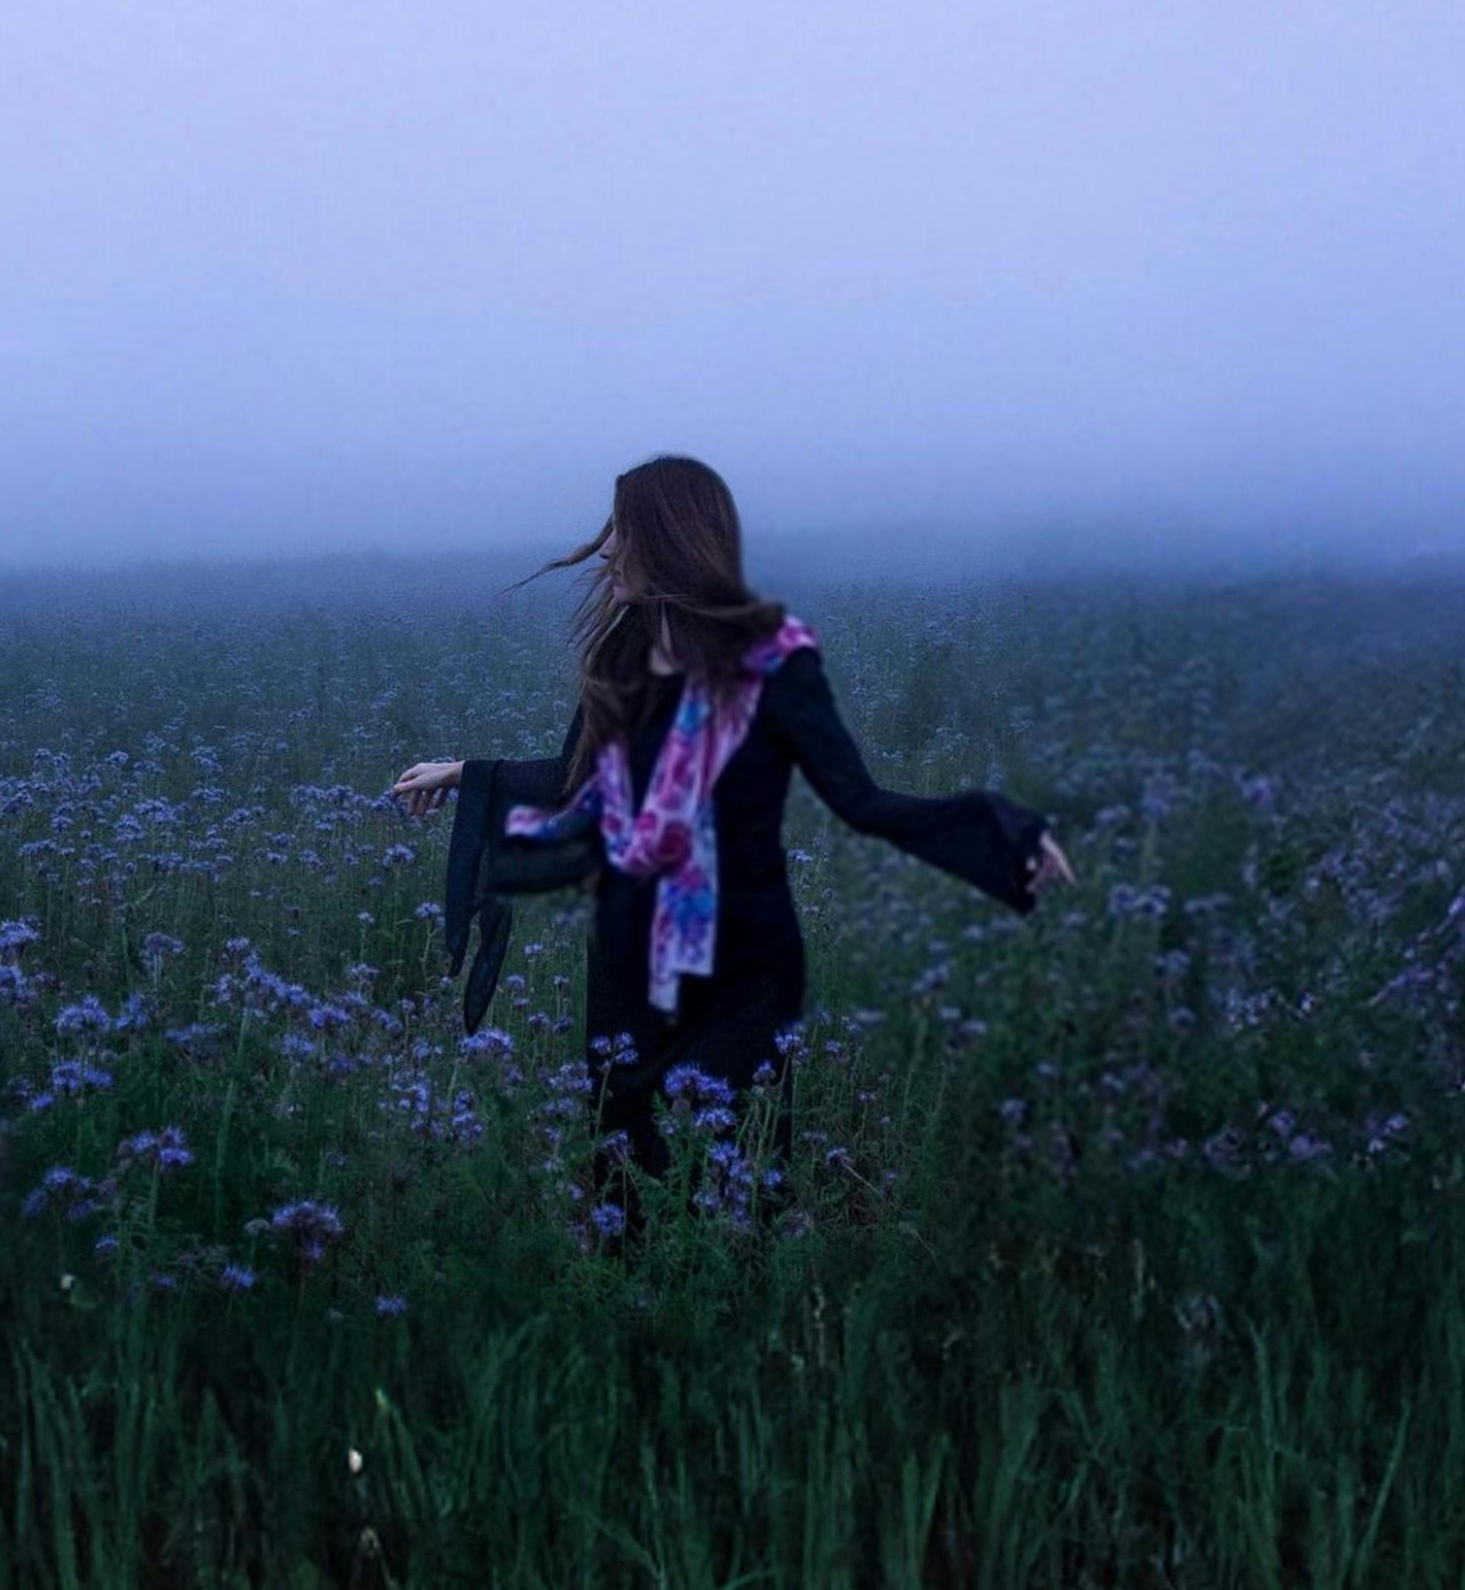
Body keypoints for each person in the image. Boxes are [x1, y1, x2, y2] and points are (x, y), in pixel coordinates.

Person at [394, 455, 1071, 1217]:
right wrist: (462, 771)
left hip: (744, 961)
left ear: (668, 536)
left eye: (620, 528)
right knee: (623, 1153)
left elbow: (860, 800)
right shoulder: (621, 654)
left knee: (734, 1165)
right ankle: (640, 1319)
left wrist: (998, 833)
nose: (607, 549)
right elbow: (573, 776)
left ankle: (737, 1315)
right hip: (629, 956)